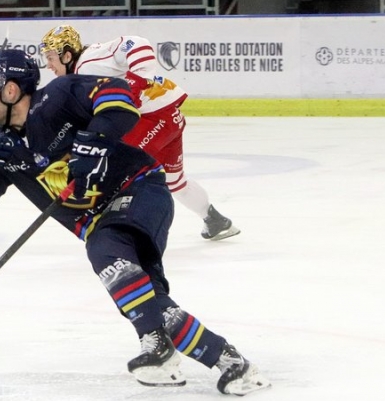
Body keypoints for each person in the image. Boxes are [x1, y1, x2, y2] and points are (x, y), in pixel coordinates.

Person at [0, 49, 269, 395]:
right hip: (103, 222)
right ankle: (232, 363)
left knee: (104, 250)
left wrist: (94, 141)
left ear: (11, 90)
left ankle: (158, 350)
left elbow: (120, 97)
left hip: (140, 189)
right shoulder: (1, 147)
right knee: (148, 300)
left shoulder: (58, 97)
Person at [39, 25, 239, 241]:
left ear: (67, 55)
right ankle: (215, 220)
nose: (48, 65)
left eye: (51, 57)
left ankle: (124, 235)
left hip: (154, 119)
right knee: (175, 182)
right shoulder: (78, 76)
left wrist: (133, 86)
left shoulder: (89, 61)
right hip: (167, 118)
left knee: (119, 175)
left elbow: (138, 44)